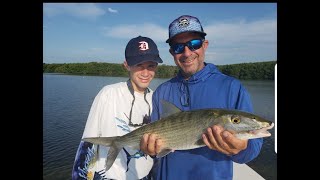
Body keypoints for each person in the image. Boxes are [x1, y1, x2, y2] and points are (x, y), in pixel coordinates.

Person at [140, 15, 263, 180]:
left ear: (205, 45)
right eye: (178, 47)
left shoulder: (232, 87)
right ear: (171, 52)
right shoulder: (162, 91)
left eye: (194, 44)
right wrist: (150, 150)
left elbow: (252, 149)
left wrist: (240, 148)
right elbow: (156, 148)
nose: (187, 52)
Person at [72, 35, 163, 180]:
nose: (145, 73)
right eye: (139, 65)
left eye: (151, 65)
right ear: (126, 65)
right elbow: (88, 143)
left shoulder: (157, 99)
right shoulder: (108, 94)